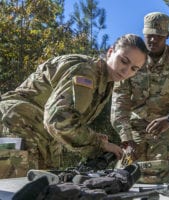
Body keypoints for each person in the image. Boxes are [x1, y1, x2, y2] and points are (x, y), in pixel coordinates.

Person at [0, 34, 148, 178]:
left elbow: (67, 120)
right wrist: (99, 144)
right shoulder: (87, 72)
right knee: (19, 190)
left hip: (38, 133)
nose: (126, 71)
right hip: (19, 124)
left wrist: (95, 139)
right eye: (124, 61)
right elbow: (58, 119)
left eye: (134, 69)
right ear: (110, 52)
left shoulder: (103, 81)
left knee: (44, 189)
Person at [111, 12, 169, 184]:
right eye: (149, 36)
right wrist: (126, 138)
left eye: (158, 36)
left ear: (167, 35)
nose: (153, 40)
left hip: (166, 132)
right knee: (124, 179)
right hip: (134, 132)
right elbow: (119, 101)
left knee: (166, 181)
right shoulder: (132, 60)